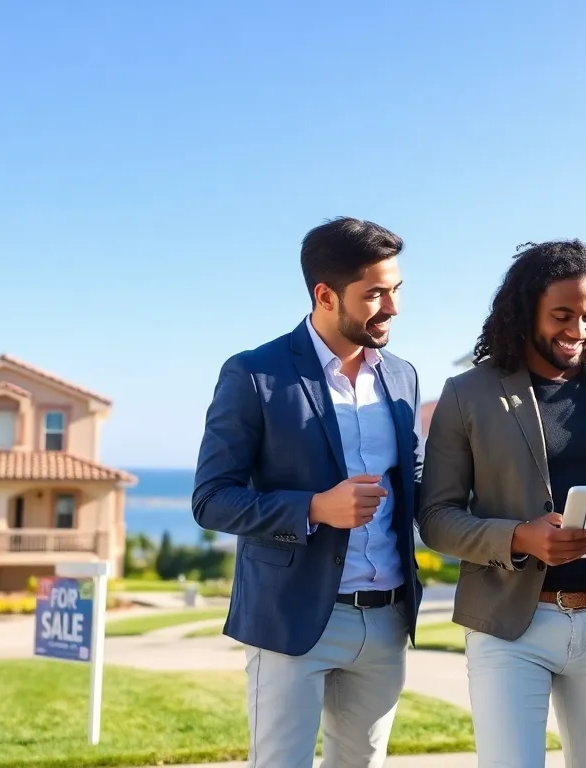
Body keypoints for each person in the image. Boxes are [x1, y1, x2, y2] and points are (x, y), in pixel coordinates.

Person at [417, 240, 586, 768]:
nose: (578, 330)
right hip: (508, 624)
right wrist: (519, 537)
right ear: (524, 312)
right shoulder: (467, 394)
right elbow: (435, 518)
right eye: (561, 315)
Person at [191, 217, 424, 768]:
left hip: (387, 620)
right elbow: (211, 498)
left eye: (397, 290)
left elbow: (417, 483)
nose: (393, 307)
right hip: (291, 620)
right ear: (325, 295)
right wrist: (316, 508)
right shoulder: (254, 373)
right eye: (375, 294)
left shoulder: (403, 376)